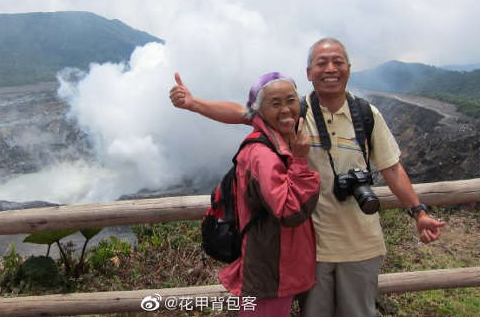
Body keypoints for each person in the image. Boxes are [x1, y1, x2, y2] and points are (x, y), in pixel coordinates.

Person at [170, 38, 446, 317]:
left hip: (362, 244)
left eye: (338, 62)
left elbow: (392, 168)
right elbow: (244, 113)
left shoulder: (366, 115)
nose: (330, 69)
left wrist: (419, 212)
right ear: (308, 73)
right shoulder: (293, 112)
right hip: (313, 250)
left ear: (349, 68)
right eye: (321, 62)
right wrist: (194, 104)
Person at [217, 72, 320, 316]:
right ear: (258, 111)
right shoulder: (262, 154)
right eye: (275, 103)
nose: (286, 109)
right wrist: (301, 161)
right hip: (271, 269)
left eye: (291, 100)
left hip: (279, 265)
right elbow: (289, 209)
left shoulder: (280, 142)